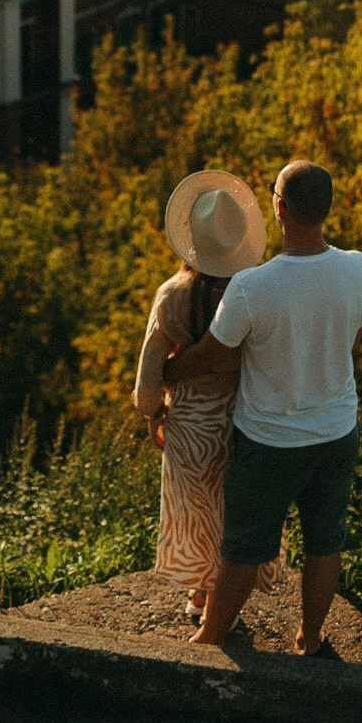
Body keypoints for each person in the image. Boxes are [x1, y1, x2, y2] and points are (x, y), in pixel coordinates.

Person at [164, 159, 362, 655]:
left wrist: (171, 371)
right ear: (326, 208)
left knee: (244, 547)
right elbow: (354, 334)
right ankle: (312, 636)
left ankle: (209, 637)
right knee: (326, 539)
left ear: (278, 208)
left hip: (270, 439)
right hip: (337, 429)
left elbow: (216, 352)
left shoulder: (253, 287)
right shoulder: (356, 268)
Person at [133, 170, 274, 619]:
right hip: (245, 418)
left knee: (197, 512)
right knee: (236, 512)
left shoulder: (172, 295)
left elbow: (146, 382)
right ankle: (226, 602)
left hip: (191, 425)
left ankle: (199, 593)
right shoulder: (258, 291)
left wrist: (155, 413)